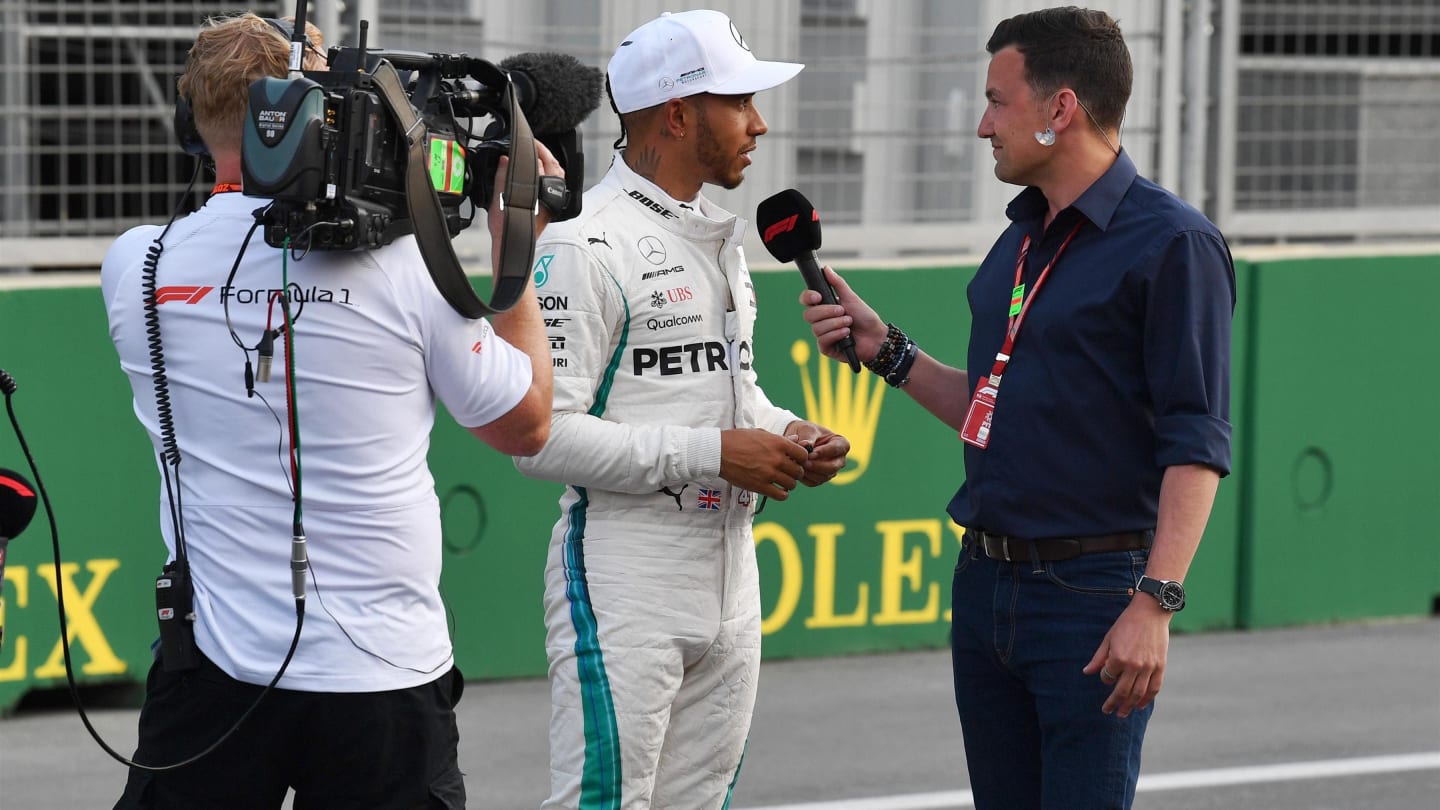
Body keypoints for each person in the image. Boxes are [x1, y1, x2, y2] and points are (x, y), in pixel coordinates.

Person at [100, 12, 558, 809]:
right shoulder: (411, 263)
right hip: (381, 680)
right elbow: (526, 423)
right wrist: (517, 234)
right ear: (317, 112)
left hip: (210, 670)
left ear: (193, 124)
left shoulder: (137, 263)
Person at [799, 7, 1234, 809]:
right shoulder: (1025, 234)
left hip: (1093, 597)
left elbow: (1197, 442)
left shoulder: (1174, 244)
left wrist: (1156, 601)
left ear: (1059, 109)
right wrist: (887, 352)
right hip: (987, 585)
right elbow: (995, 405)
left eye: (998, 101)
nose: (981, 125)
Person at [512, 9, 850, 808]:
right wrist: (717, 453)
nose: (759, 123)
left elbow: (723, 394)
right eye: (740, 102)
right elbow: (540, 439)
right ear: (676, 113)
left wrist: (783, 432)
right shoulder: (580, 244)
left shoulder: (719, 239)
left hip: (732, 573)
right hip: (627, 574)